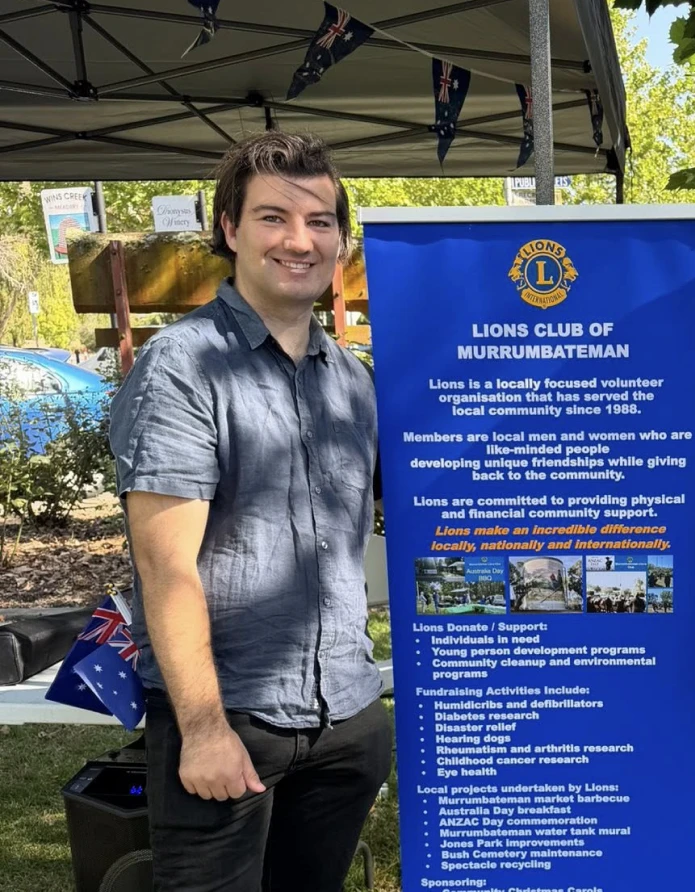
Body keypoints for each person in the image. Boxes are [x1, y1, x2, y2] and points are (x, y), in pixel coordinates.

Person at [109, 131, 390, 891]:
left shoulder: (353, 381)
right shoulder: (183, 366)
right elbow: (164, 568)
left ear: (340, 237)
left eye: (321, 221)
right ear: (229, 229)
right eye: (273, 218)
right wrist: (203, 730)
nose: (300, 240)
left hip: (346, 721)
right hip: (231, 723)